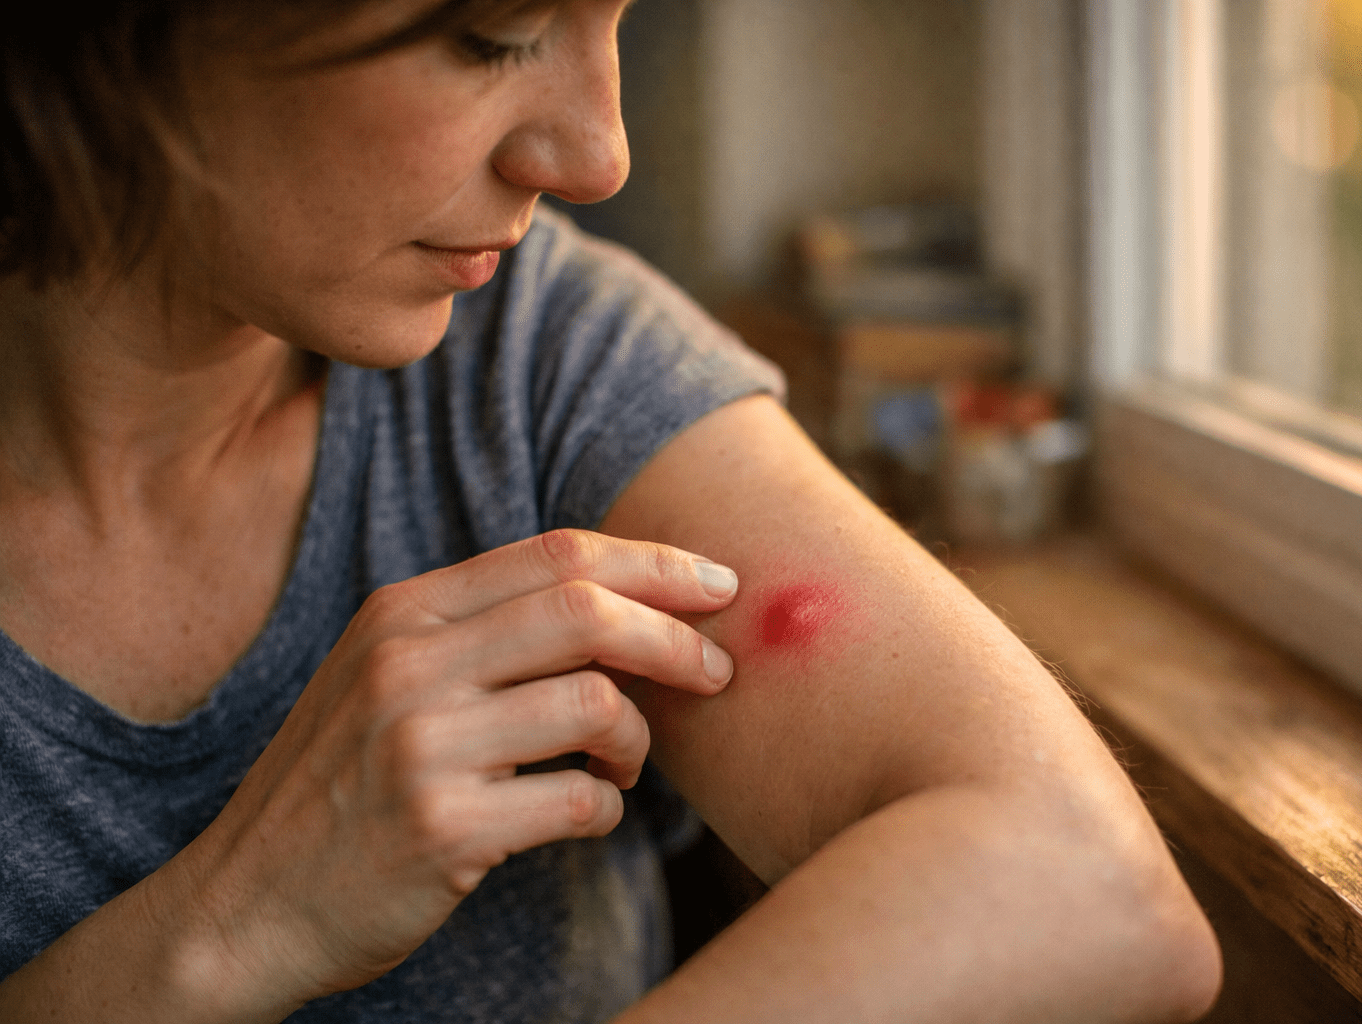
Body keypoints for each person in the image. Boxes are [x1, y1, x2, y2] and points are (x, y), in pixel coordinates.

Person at [0, 1, 1223, 1020]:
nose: (598, 157)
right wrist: (227, 926)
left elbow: (1090, 885)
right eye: (495, 33)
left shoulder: (541, 362)